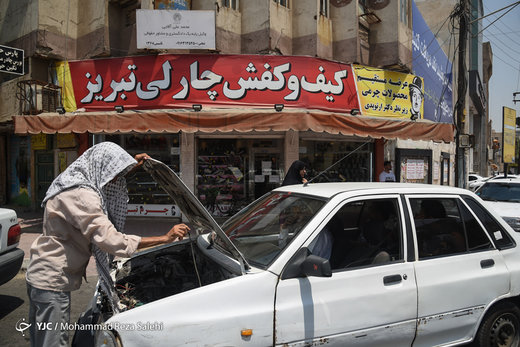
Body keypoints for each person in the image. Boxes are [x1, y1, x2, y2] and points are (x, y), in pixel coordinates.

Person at [25, 142, 190, 347]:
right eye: (113, 171)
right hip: (52, 281)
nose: (114, 178)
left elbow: (105, 179)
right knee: (52, 343)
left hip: (41, 272)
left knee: (40, 340)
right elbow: (110, 240)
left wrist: (130, 166)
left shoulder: (72, 180)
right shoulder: (82, 195)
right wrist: (164, 238)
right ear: (102, 167)